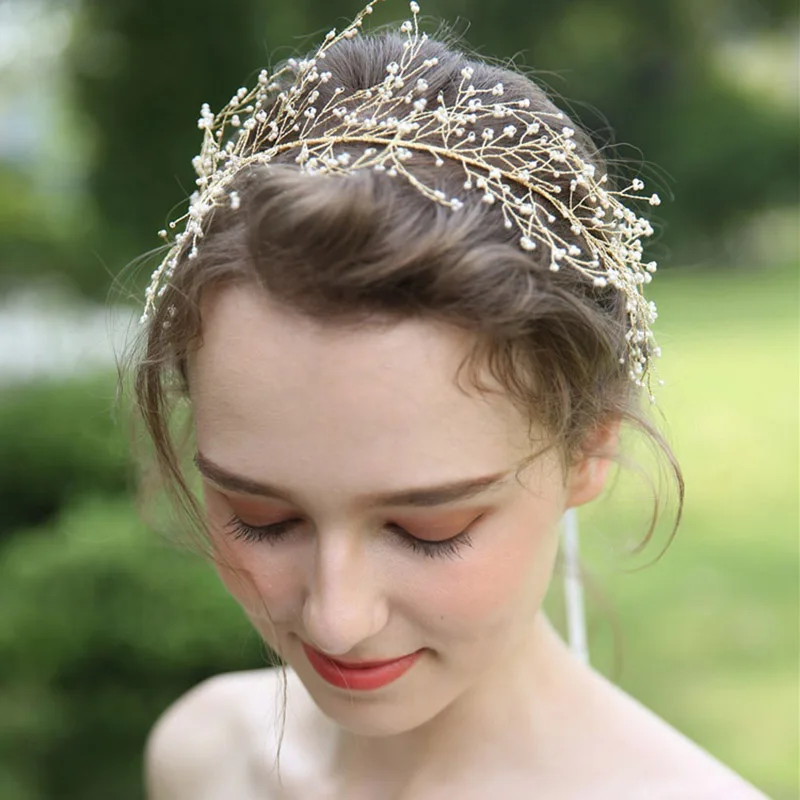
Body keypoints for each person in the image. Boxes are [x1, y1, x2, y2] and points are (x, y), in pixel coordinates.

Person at [134, 2, 766, 797]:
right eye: (261, 518)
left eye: (429, 530)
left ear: (589, 447)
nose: (338, 618)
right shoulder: (206, 758)